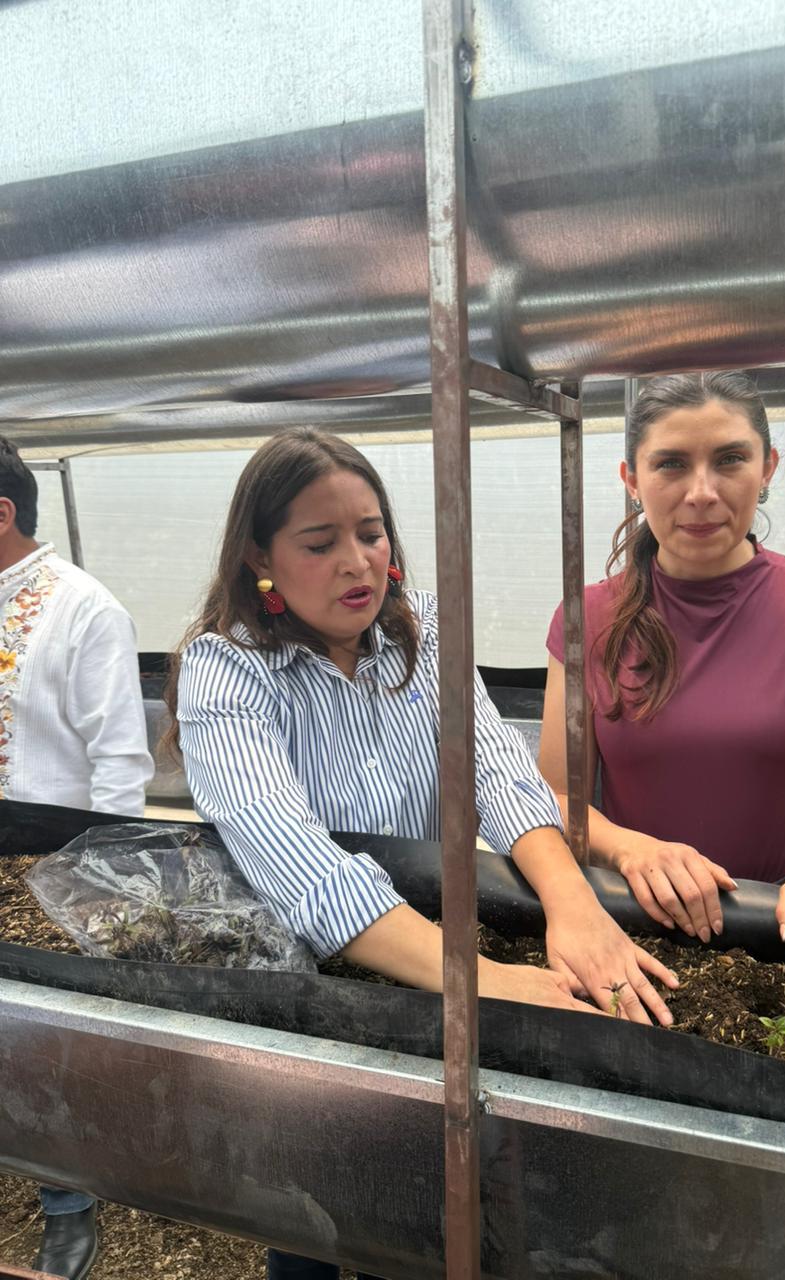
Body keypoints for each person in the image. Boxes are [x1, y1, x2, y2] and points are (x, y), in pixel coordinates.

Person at [166, 427, 679, 1280]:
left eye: (371, 533)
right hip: (314, 979)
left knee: (417, 1206)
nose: (358, 563)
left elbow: (498, 772)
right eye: (319, 543)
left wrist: (574, 906)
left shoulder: (422, 631)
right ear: (260, 556)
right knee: (314, 1202)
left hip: (428, 952)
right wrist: (486, 980)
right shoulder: (226, 672)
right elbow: (299, 862)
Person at [539, 371, 785, 962]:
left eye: (730, 459)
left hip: (783, 930)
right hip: (636, 925)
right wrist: (632, 850)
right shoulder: (588, 618)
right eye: (671, 464)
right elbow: (557, 795)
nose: (702, 492)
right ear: (631, 479)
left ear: (767, 468)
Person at [0, 437, 154, 1280]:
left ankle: (66, 1200)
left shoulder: (84, 609)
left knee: (36, 1041)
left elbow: (120, 763)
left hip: (45, 870)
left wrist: (99, 886)